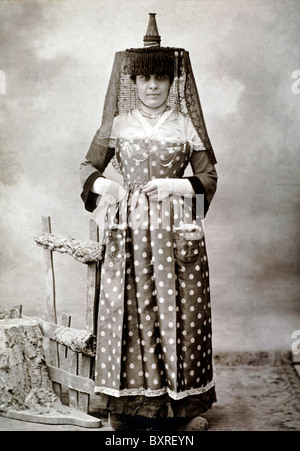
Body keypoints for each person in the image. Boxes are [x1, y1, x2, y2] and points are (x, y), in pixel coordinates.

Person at [80, 14, 218, 431]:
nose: (153, 86)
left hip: (178, 226)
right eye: (145, 79)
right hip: (130, 231)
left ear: (172, 82)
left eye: (161, 78)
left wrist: (175, 185)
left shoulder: (185, 125)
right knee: (129, 309)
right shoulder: (118, 124)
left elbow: (209, 177)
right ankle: (124, 409)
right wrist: (109, 187)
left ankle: (183, 408)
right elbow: (88, 166)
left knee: (182, 311)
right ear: (133, 83)